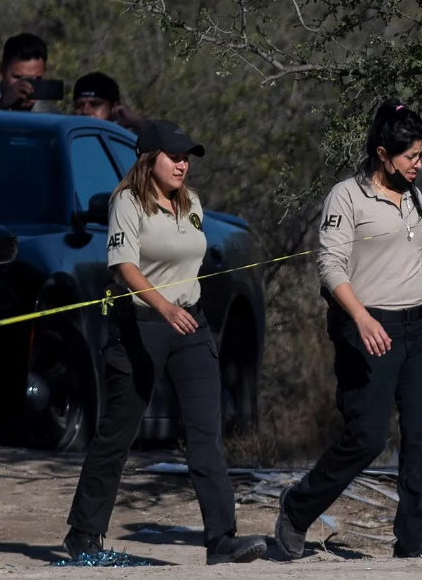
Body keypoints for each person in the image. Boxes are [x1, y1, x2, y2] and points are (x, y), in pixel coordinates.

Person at [63, 119, 267, 566]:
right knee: (117, 432)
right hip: (142, 324)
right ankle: (83, 532)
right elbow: (124, 266)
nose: (182, 165)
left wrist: (181, 308)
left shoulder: (190, 202)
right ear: (148, 158)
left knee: (204, 434)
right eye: (173, 157)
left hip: (190, 324)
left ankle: (221, 539)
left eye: (186, 158)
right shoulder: (126, 202)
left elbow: (190, 258)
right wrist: (163, 307)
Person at [273, 99, 422, 560]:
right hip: (368, 325)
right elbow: (329, 265)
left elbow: (419, 256)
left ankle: (415, 537)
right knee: (367, 436)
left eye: (421, 155)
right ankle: (297, 508)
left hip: (419, 329)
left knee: (421, 433)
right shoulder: (346, 196)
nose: (418, 165)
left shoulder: (415, 194)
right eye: (410, 156)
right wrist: (362, 318)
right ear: (381, 153)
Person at [71, 71, 147, 132]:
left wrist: (133, 120)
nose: (85, 111)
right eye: (79, 105)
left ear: (114, 108)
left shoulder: (127, 140)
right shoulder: (65, 139)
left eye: (95, 104)